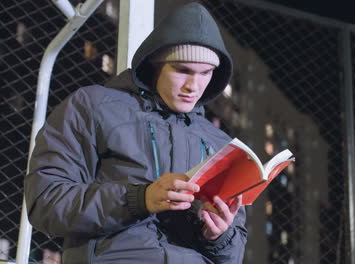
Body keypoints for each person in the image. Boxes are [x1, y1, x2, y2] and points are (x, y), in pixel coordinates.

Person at [24, 2, 247, 263]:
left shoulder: (219, 143)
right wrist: (140, 199)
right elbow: (46, 203)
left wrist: (219, 235)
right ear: (156, 64)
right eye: (182, 70)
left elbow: (235, 253)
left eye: (206, 73)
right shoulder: (93, 106)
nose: (193, 86)